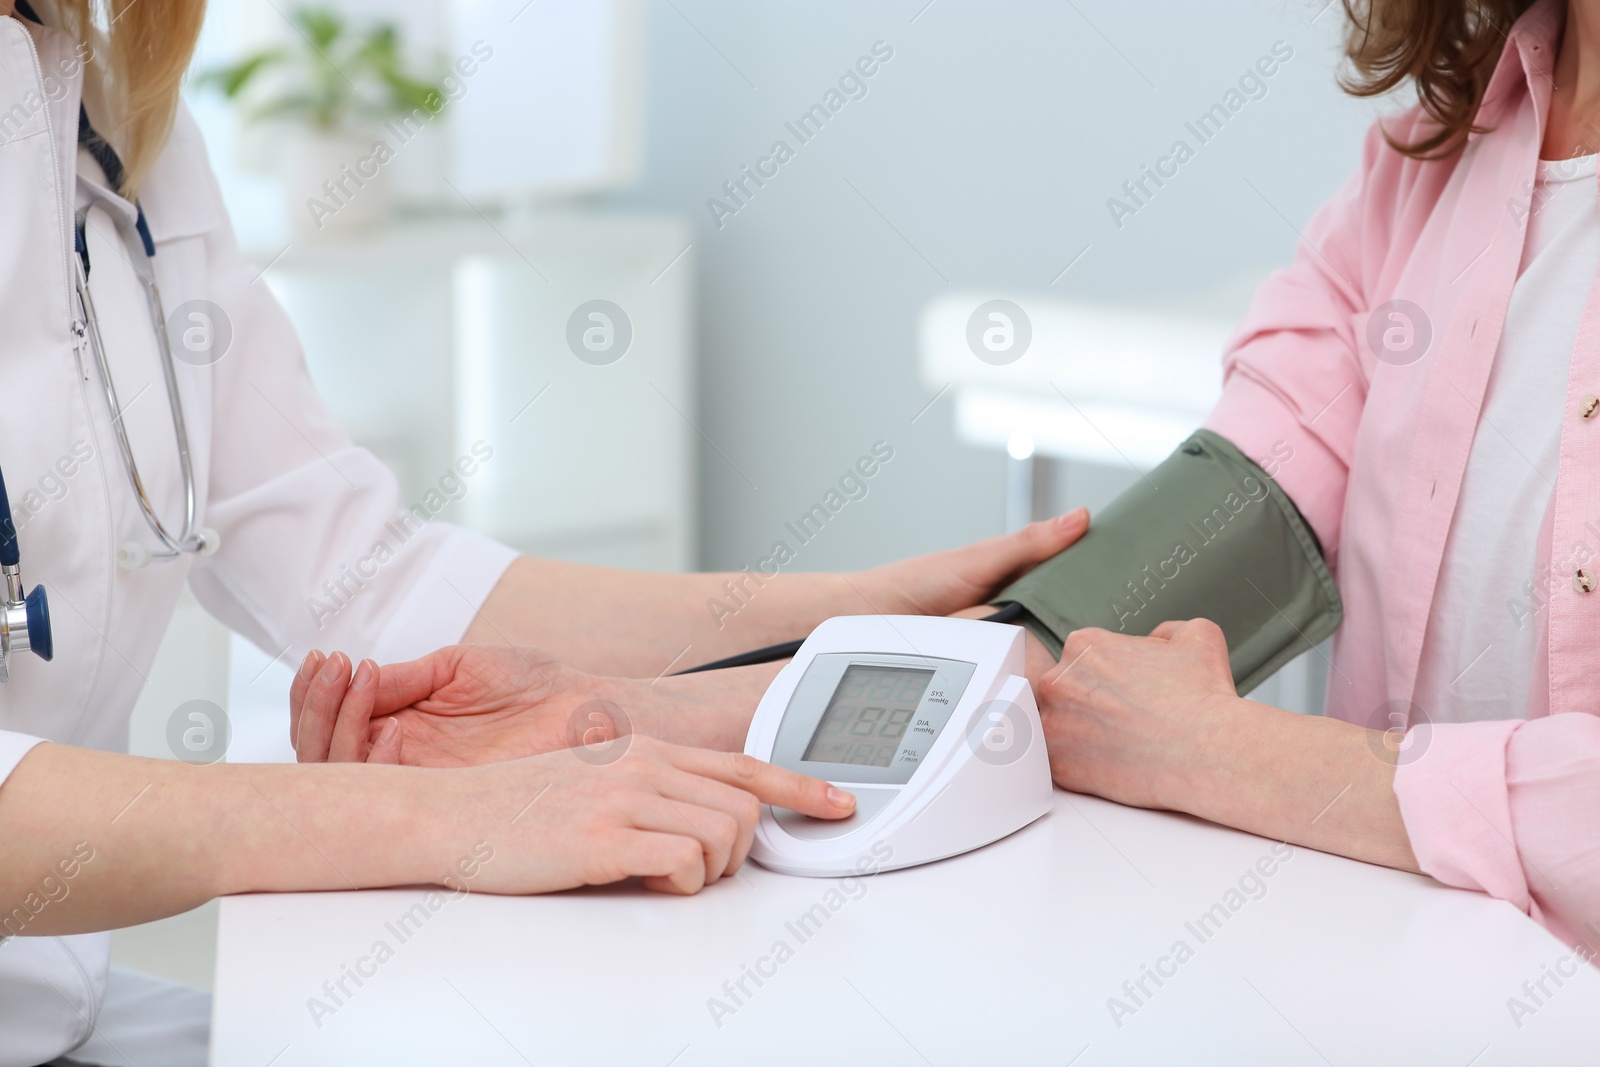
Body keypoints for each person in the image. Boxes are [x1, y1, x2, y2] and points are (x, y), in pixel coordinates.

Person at [299, 0, 1600, 967]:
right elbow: (1120, 611)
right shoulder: (1433, 164)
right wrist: (622, 716)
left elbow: (1184, 729)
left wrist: (1251, 761)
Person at [0, 0, 1091, 1062]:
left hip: (57, 1007)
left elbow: (363, 575)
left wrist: (849, 612)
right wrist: (446, 819)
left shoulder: (118, 121)